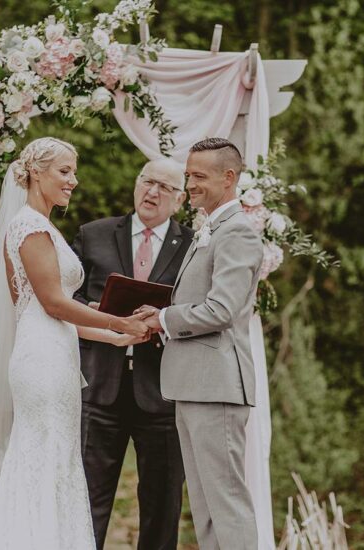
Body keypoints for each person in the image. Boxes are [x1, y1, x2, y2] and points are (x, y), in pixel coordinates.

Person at [0, 137, 153, 550]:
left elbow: (51, 315)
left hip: (55, 355)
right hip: (42, 364)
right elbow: (53, 304)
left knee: (56, 461)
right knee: (44, 460)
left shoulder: (43, 226)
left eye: (74, 172)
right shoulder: (30, 227)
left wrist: (115, 335)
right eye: (64, 171)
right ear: (36, 172)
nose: (74, 180)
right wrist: (116, 319)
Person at [138, 137, 263, 550]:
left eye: (199, 177)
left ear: (229, 178)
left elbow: (221, 310)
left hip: (217, 386)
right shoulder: (209, 229)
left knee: (226, 502)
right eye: (188, 175)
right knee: (206, 506)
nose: (189, 184)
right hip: (192, 385)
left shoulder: (237, 233)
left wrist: (163, 319)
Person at [71, 158, 194, 549]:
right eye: (146, 181)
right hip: (99, 387)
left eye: (164, 187)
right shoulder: (94, 234)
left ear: (180, 200)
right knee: (86, 499)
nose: (152, 192)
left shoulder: (193, 246)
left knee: (162, 504)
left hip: (163, 391)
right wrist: (97, 311)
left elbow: (200, 309)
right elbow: (65, 298)